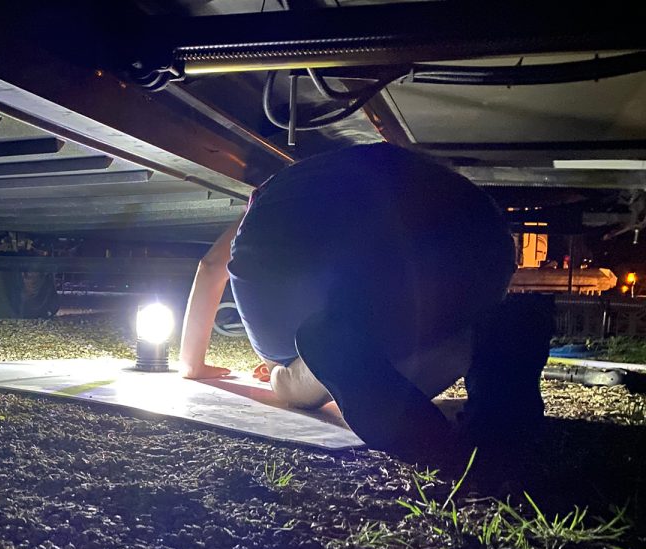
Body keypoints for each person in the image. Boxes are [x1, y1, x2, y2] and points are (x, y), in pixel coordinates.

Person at [178, 143, 552, 471]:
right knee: (451, 328)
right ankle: (486, 341)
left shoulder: (285, 197)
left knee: (286, 380)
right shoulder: (346, 177)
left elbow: (211, 267)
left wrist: (192, 365)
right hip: (473, 228)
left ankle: (326, 357)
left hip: (288, 241)